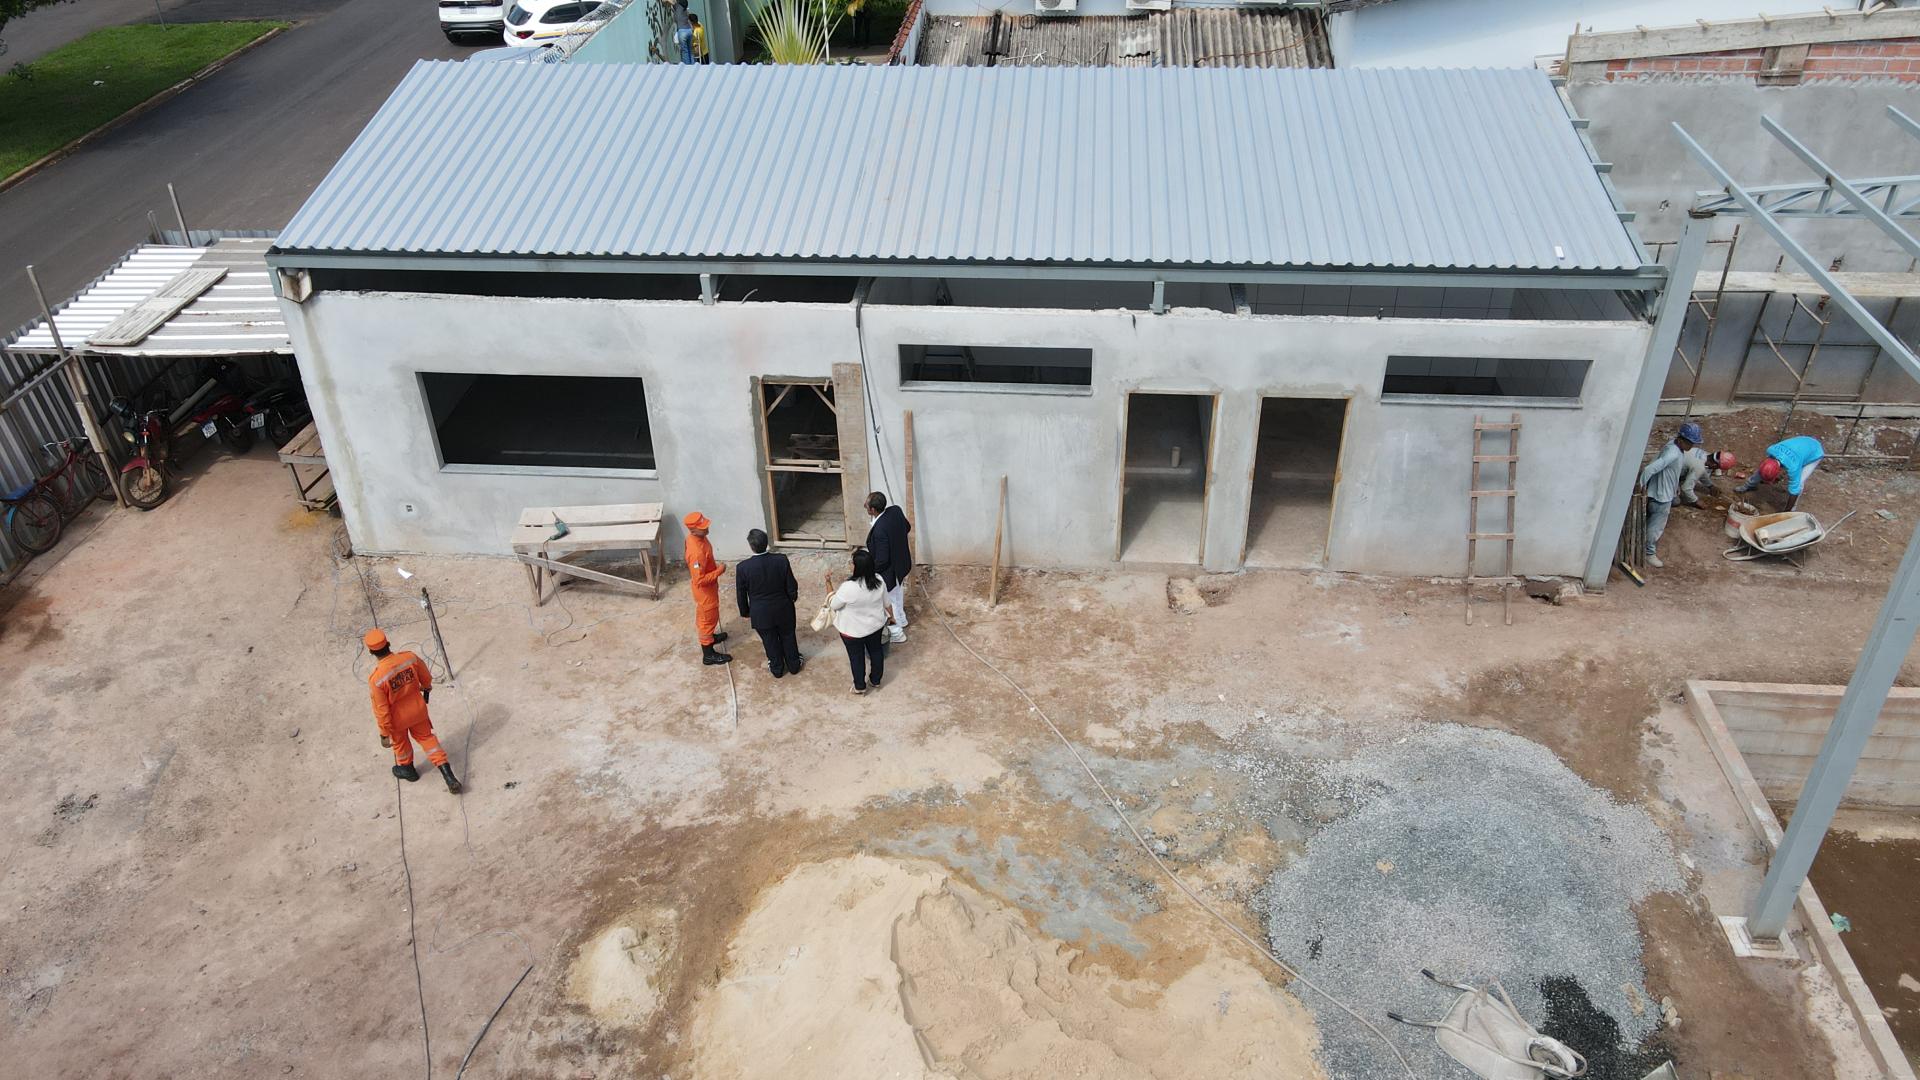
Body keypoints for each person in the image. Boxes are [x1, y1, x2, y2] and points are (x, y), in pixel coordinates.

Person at [365, 628, 462, 793]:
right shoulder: (409, 658)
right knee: (428, 739)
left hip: (397, 720)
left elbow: (381, 710)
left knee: (401, 744)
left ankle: (408, 770)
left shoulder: (377, 679)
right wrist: (426, 687)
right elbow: (426, 678)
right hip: (418, 710)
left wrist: (384, 733)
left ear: (371, 652)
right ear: (388, 644)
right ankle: (448, 775)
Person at [736, 528, 802, 677]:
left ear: (751, 546)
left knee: (769, 640)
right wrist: (792, 597)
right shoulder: (781, 560)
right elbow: (791, 584)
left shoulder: (743, 568)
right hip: (783, 607)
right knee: (788, 636)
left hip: (760, 613)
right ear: (766, 543)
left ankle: (777, 668)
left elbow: (741, 593)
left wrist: (745, 611)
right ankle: (794, 665)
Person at [1637, 422, 1702, 569]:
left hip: (1662, 491)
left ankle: (1643, 544)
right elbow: (1650, 469)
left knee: (1652, 518)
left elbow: (1669, 471)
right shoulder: (1673, 453)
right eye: (1690, 443)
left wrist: (1675, 487)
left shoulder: (1673, 445)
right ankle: (1649, 552)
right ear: (1682, 439)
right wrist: (1641, 486)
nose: (1692, 446)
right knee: (1656, 526)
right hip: (1661, 496)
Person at [825, 548, 889, 695]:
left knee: (857, 658)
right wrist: (891, 617)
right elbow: (887, 603)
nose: (850, 565)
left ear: (858, 567)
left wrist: (828, 582)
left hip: (852, 632)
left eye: (852, 563)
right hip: (875, 626)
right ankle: (876, 680)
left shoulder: (848, 587)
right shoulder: (879, 580)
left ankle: (860, 686)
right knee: (876, 652)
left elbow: (833, 605)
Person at [864, 491, 912, 644]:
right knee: (898, 594)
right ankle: (902, 619)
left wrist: (869, 570)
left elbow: (883, 560)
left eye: (867, 504)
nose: (864, 505)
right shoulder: (895, 511)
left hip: (889, 571)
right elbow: (907, 527)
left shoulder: (879, 530)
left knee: (888, 601)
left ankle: (897, 632)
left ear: (872, 510)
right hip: (901, 563)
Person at [684, 510, 730, 665]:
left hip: (710, 588)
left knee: (711, 617)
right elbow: (699, 580)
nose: (707, 528)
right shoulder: (696, 553)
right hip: (705, 592)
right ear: (693, 530)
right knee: (707, 621)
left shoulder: (698, 538)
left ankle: (710, 638)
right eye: (703, 527)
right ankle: (708, 654)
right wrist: (719, 571)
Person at [1737, 435, 1826, 509]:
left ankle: (1792, 510)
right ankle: (1748, 486)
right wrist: (1748, 485)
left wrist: (1785, 512)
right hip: (1801, 445)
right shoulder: (1771, 450)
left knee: (1800, 482)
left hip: (1815, 451)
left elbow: (1794, 491)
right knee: (1764, 468)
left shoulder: (1793, 467)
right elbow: (1763, 469)